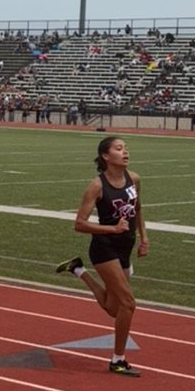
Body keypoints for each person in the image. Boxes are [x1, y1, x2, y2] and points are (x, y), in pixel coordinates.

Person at [55, 136, 148, 377]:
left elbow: (137, 209)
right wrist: (112, 229)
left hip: (125, 247)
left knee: (114, 309)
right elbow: (79, 224)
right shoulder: (97, 186)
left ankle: (79, 270)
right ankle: (118, 359)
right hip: (104, 248)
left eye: (126, 148)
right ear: (106, 157)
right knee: (128, 304)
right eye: (119, 149)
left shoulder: (134, 179)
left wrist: (144, 238)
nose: (125, 152)